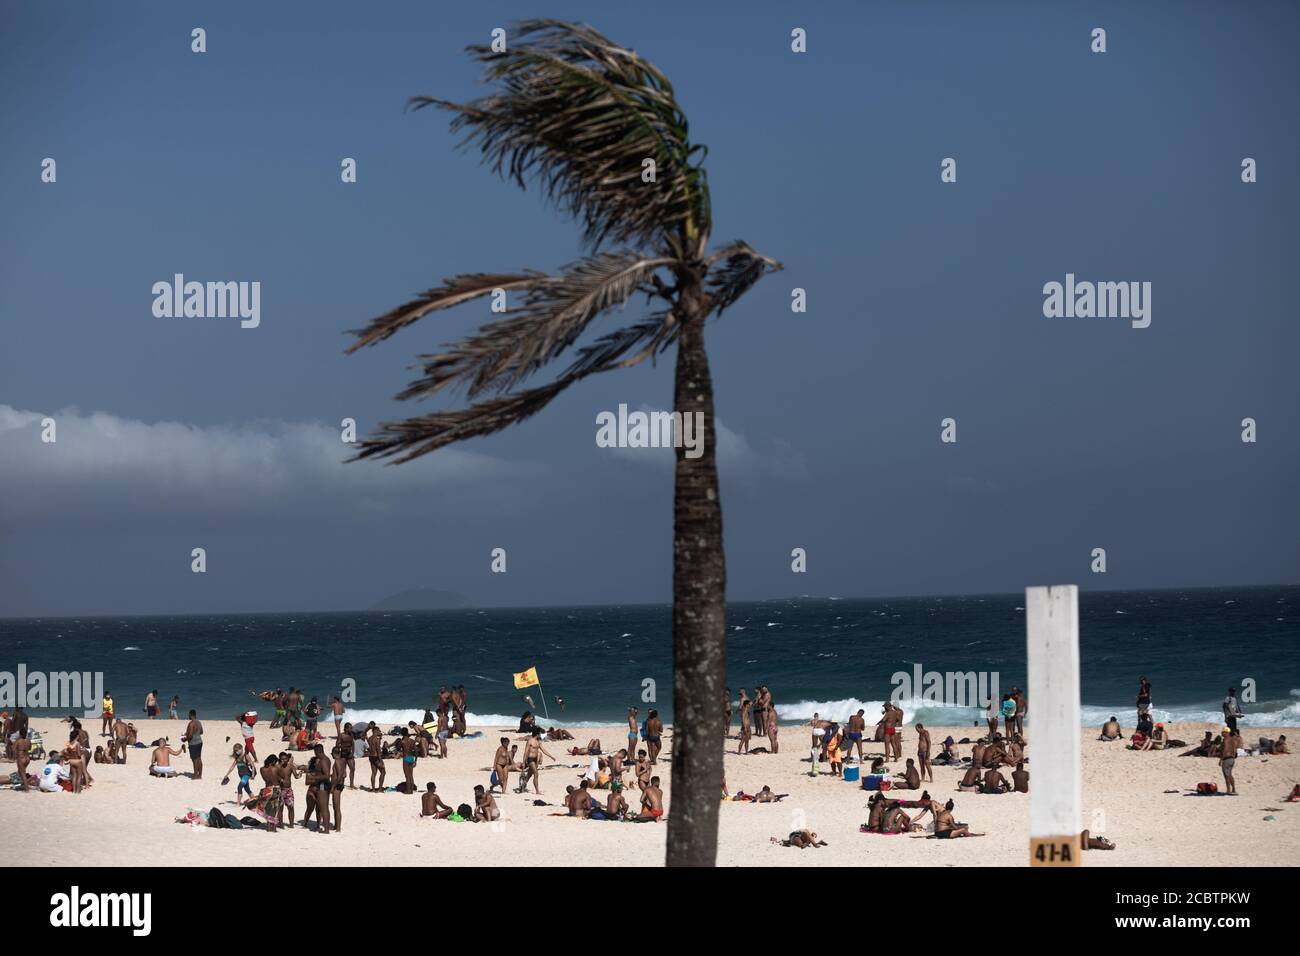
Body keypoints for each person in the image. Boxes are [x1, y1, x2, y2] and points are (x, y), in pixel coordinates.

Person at [519, 729, 554, 794]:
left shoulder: (538, 742)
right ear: (537, 734)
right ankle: (537, 791)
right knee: (536, 773)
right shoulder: (530, 741)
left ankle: (522, 787)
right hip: (530, 759)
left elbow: (544, 750)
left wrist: (551, 756)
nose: (540, 735)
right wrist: (523, 762)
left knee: (529, 774)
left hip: (535, 760)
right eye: (540, 733)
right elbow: (526, 752)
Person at [182, 709, 204, 780]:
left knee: (194, 759)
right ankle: (200, 775)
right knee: (199, 758)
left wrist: (184, 739)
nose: (188, 716)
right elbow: (201, 732)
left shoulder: (191, 723)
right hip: (199, 742)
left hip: (193, 743)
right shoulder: (198, 722)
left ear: (191, 715)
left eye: (188, 715)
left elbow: (190, 735)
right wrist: (192, 733)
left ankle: (195, 775)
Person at [1220, 727, 1240, 794]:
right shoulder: (1233, 740)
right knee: (1230, 774)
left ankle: (1228, 790)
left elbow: (1225, 749)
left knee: (1226, 775)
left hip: (1226, 758)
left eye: (1223, 732)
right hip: (1232, 759)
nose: (1221, 733)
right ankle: (1233, 789)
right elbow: (1235, 749)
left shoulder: (1225, 740)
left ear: (1226, 733)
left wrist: (1221, 759)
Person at [367, 724, 386, 791]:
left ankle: (373, 789)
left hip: (371, 756)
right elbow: (378, 751)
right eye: (378, 731)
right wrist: (381, 760)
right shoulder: (376, 739)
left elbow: (371, 747)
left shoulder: (369, 738)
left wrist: (380, 737)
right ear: (376, 731)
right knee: (383, 772)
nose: (379, 732)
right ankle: (380, 788)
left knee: (374, 773)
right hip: (376, 757)